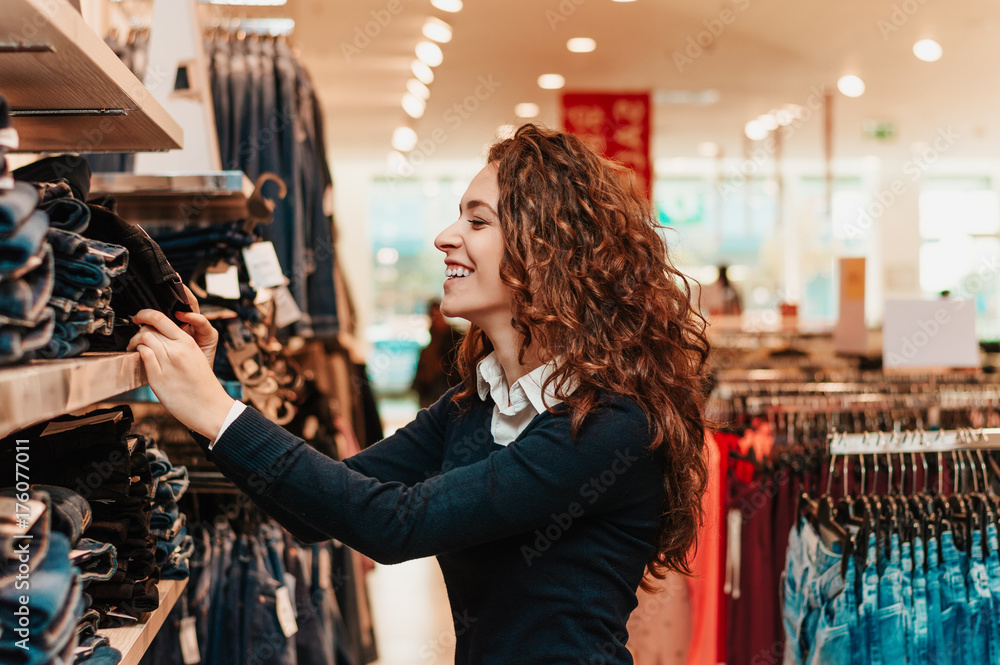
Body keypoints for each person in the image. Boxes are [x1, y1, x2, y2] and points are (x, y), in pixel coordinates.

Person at [127, 124, 711, 664]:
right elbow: (319, 508)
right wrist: (207, 402)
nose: (445, 237)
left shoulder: (610, 423)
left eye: (478, 222)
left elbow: (394, 525)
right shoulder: (475, 404)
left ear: (547, 250)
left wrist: (219, 411)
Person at [411, 299, 463, 408]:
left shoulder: (455, 340)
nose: (436, 319)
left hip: (449, 397)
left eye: (438, 314)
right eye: (432, 315)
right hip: (432, 397)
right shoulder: (430, 344)